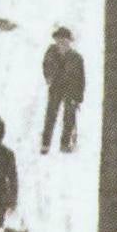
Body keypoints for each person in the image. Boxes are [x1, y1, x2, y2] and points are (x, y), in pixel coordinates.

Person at [41, 26, 84, 154]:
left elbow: (81, 79)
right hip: (56, 88)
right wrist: (48, 77)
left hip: (70, 89)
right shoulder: (51, 52)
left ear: (69, 42)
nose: (62, 44)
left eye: (64, 41)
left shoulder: (76, 58)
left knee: (69, 116)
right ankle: (45, 144)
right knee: (50, 115)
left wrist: (78, 98)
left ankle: (64, 144)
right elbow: (45, 65)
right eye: (59, 41)